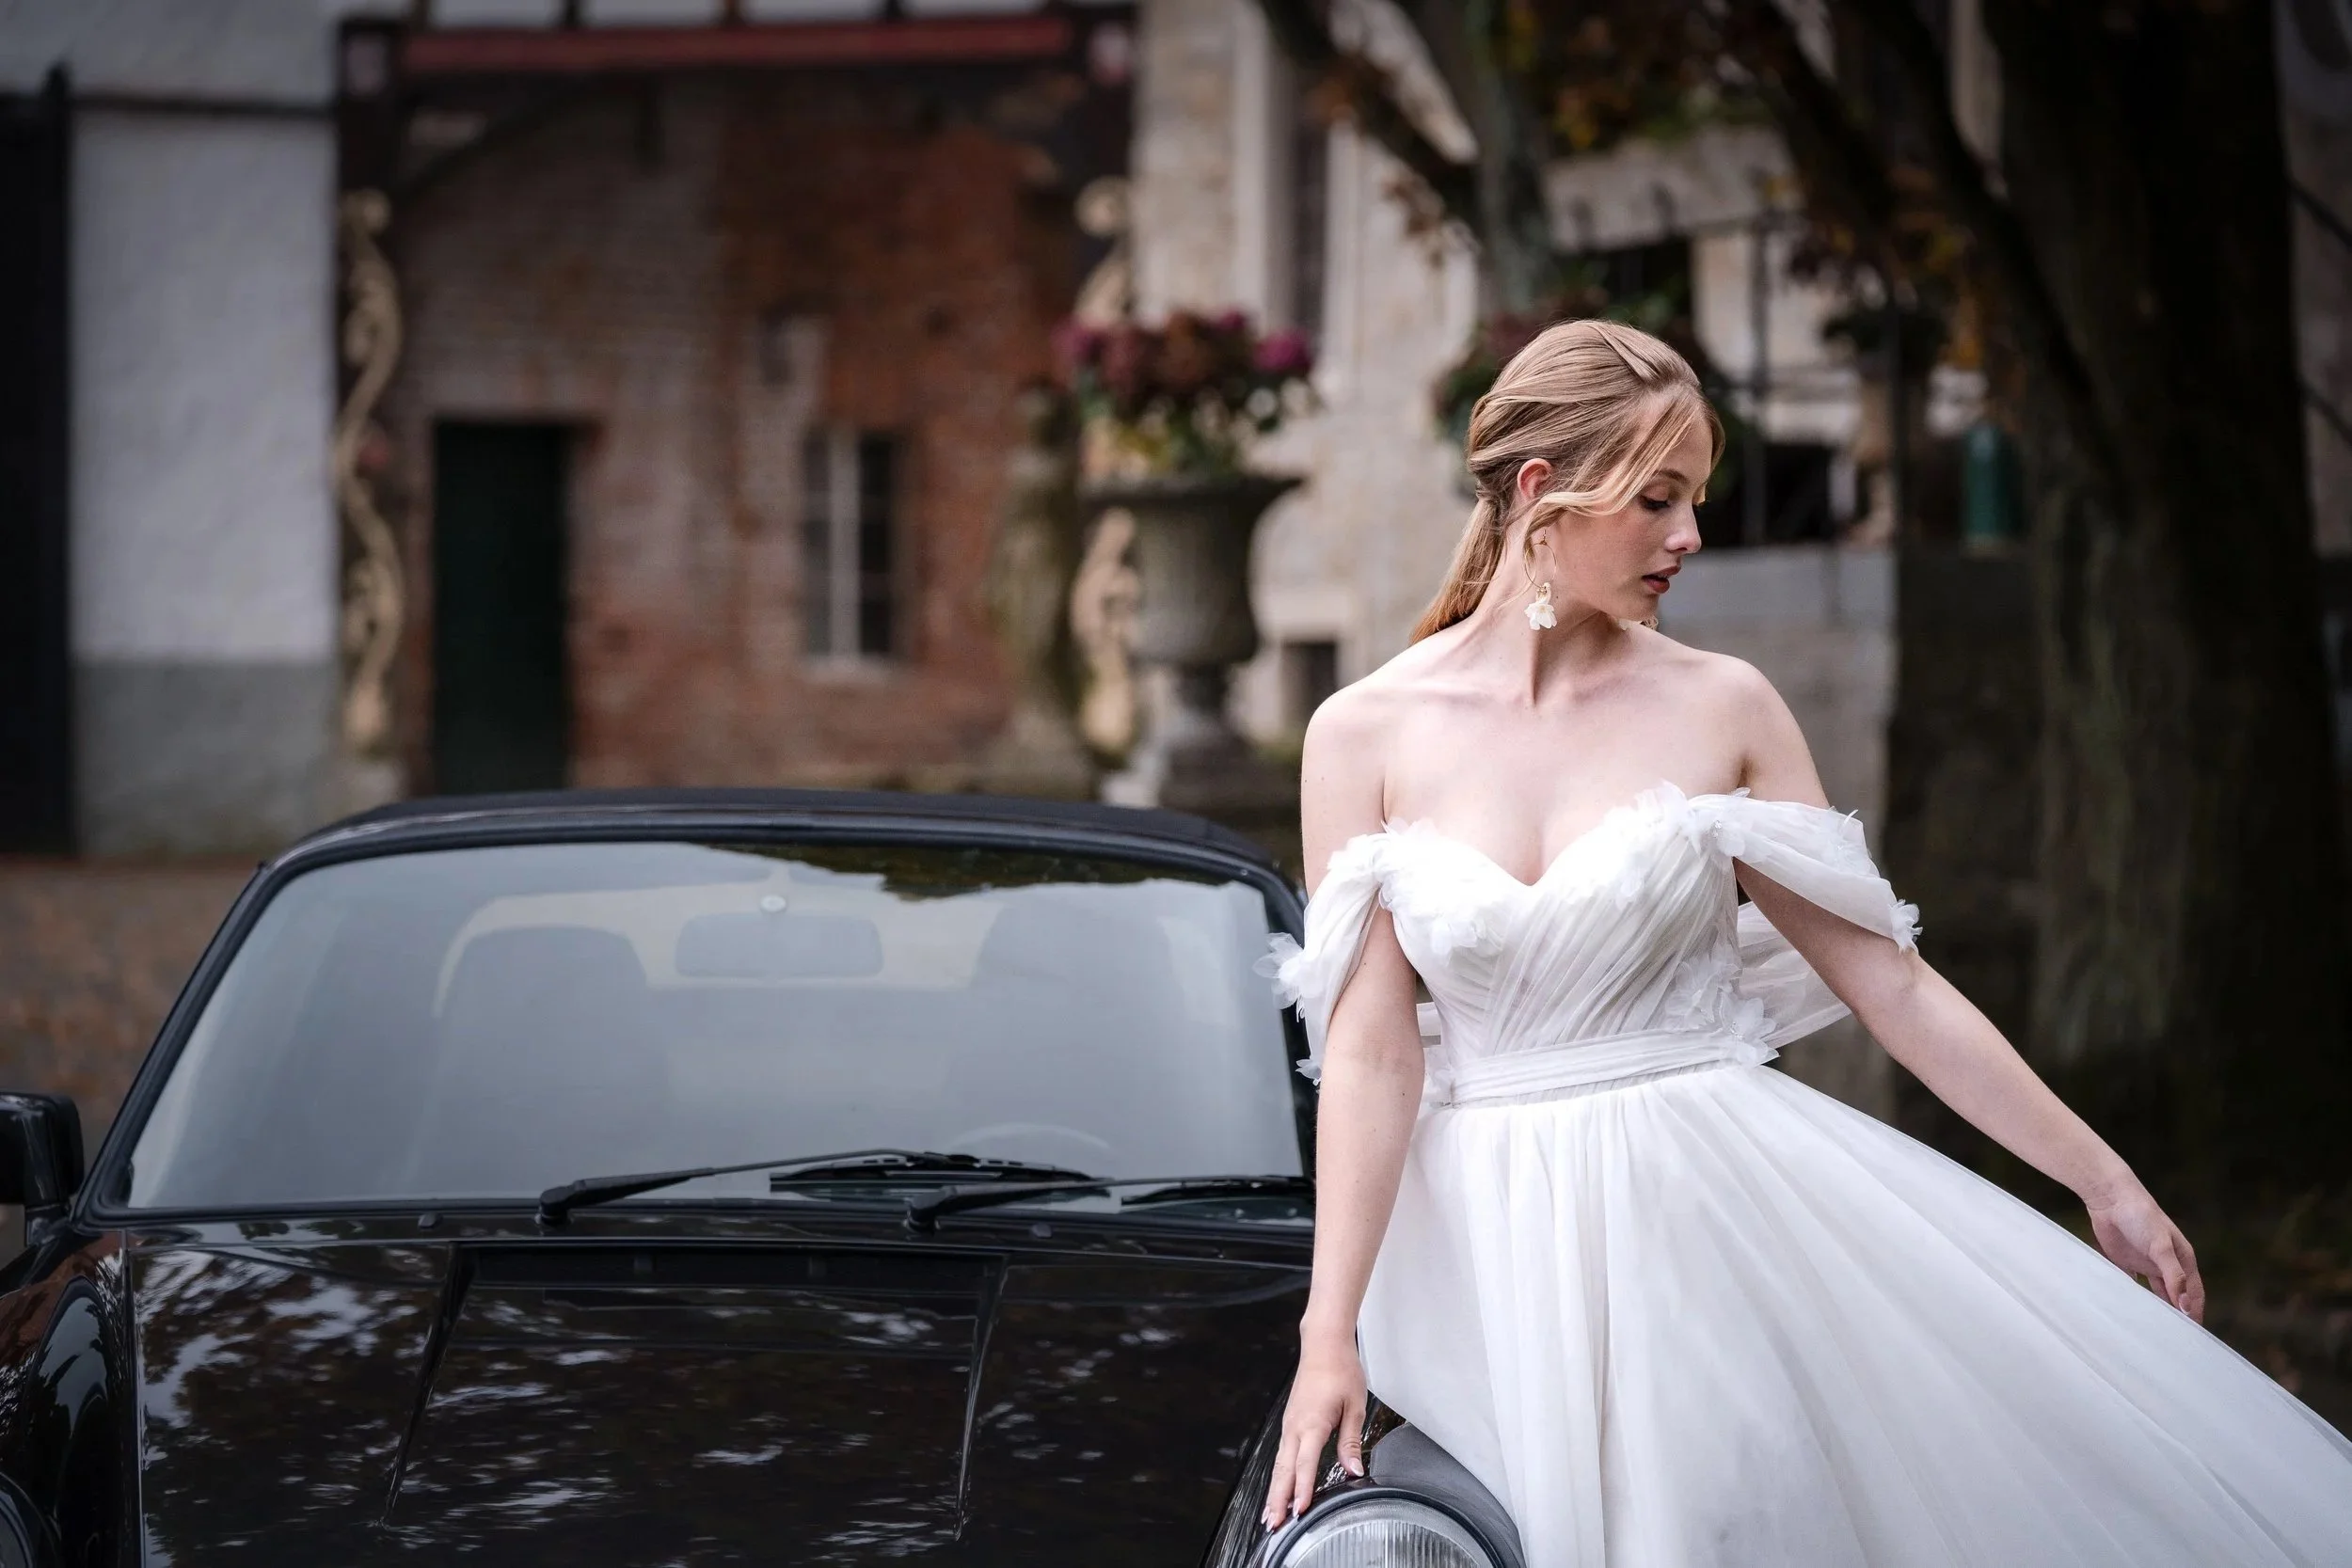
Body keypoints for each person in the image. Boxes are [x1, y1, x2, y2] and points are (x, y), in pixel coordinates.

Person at [1258, 319, 2352, 1564]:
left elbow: (1891, 982)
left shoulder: (1724, 704)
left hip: (1704, 1224)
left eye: (1696, 499)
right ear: (1542, 492)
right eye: (1659, 500)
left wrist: (2104, 1182)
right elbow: (1372, 1057)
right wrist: (1329, 1333)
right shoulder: (1360, 734)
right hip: (1481, 1261)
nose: (1691, 536)